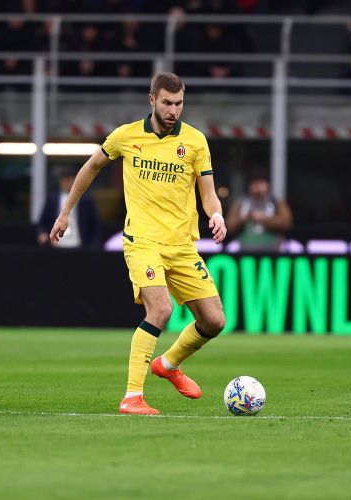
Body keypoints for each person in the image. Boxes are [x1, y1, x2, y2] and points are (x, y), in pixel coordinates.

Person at [50, 72, 227, 415]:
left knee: (214, 321)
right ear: (152, 100)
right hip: (142, 241)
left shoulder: (195, 141)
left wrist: (216, 215)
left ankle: (169, 365)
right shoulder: (126, 135)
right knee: (161, 310)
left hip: (182, 245)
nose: (173, 110)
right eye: (167, 103)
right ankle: (132, 396)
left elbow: (208, 193)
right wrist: (65, 211)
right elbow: (91, 167)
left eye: (179, 103)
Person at [225, 171, 292, 252]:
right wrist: (242, 219)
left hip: (271, 252)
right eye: (253, 183)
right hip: (245, 252)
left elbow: (286, 223)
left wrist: (264, 219)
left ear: (268, 185)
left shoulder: (277, 203)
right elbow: (229, 226)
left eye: (260, 182)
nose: (257, 186)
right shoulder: (241, 203)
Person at [37, 168, 101, 248]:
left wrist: (93, 246)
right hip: (57, 245)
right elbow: (43, 222)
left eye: (70, 180)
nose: (67, 183)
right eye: (64, 180)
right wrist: (42, 233)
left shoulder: (86, 198)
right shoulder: (52, 198)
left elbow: (94, 225)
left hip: (79, 245)